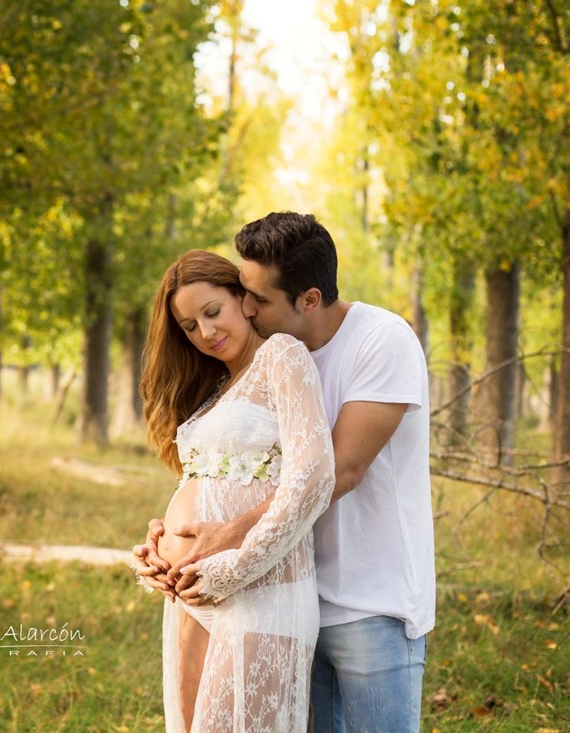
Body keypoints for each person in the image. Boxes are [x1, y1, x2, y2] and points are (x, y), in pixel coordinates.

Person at [136, 212, 435, 733]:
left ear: (309, 299)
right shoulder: (256, 359)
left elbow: (339, 470)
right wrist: (171, 538)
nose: (247, 309)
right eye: (243, 293)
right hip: (292, 583)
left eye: (258, 299)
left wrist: (227, 537)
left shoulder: (380, 340)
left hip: (370, 597)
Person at [135, 249, 336, 732]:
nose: (205, 333)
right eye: (189, 326)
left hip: (261, 590)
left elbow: (313, 476)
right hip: (192, 593)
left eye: (212, 312)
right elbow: (205, 483)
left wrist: (236, 567)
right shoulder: (218, 387)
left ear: (242, 298)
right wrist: (158, 544)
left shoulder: (281, 357)